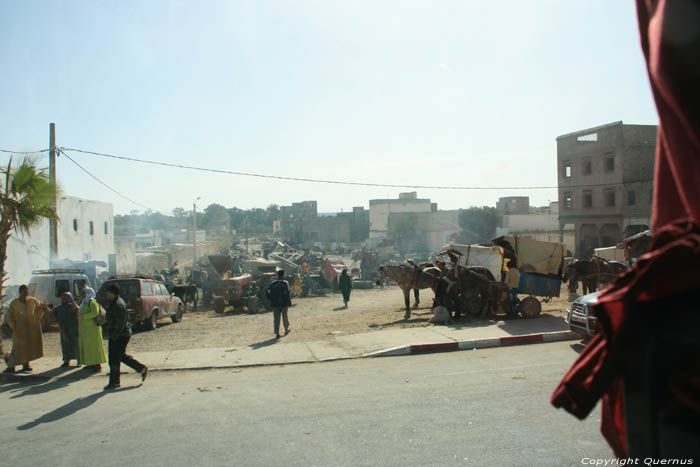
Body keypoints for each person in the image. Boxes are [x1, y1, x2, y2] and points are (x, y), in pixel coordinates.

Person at [104, 284, 147, 390]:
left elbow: (120, 323)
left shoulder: (117, 304)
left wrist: (114, 336)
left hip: (120, 335)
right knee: (119, 357)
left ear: (112, 293)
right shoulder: (115, 302)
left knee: (114, 358)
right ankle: (140, 369)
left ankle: (114, 382)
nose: (107, 294)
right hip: (120, 334)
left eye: (108, 292)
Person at [3, 285, 46, 373]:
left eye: (27, 292)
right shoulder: (14, 303)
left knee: (27, 348)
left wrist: (42, 308)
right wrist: (14, 326)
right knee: (16, 348)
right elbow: (9, 316)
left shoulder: (33, 301)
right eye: (24, 292)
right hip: (19, 330)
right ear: (20, 293)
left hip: (30, 329)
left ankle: (26, 365)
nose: (26, 294)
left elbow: (39, 309)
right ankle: (11, 367)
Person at [77, 287, 106, 370]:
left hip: (92, 329)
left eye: (83, 293)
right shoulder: (85, 303)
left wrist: (83, 317)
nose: (81, 295)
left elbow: (95, 313)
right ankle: (90, 363)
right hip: (86, 329)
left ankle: (97, 363)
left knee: (94, 346)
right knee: (87, 347)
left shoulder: (92, 302)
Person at [52, 292, 80, 367]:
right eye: (62, 298)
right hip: (64, 329)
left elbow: (79, 314)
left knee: (76, 345)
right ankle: (66, 360)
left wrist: (76, 308)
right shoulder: (59, 308)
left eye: (65, 298)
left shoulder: (74, 307)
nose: (63, 300)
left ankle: (79, 360)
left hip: (73, 329)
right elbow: (52, 315)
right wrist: (45, 309)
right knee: (65, 345)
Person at [266, 270, 291, 339]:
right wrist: (288, 302)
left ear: (277, 275)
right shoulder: (286, 282)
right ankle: (286, 330)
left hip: (275, 304)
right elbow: (288, 292)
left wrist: (271, 299)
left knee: (276, 318)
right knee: (285, 317)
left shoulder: (272, 283)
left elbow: (268, 292)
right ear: (283, 275)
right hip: (284, 303)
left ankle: (277, 333)